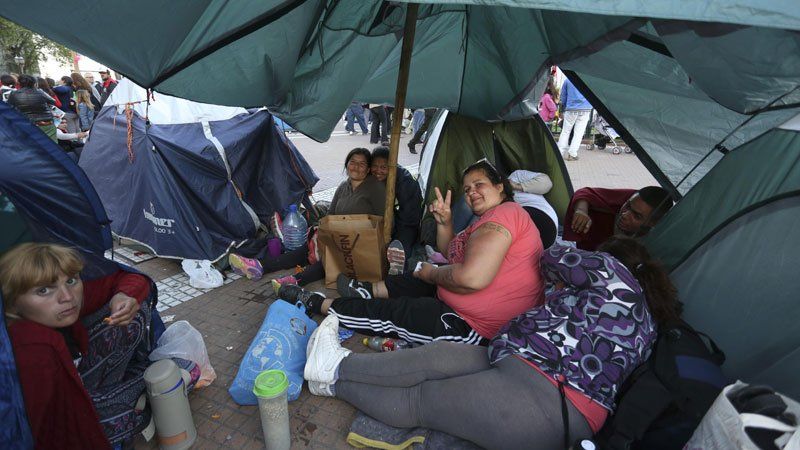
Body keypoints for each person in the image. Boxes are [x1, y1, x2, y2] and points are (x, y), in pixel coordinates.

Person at [301, 237, 681, 449]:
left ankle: (332, 377)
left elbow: (555, 255)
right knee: (439, 357)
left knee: (422, 399)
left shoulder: (610, 270)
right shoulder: (648, 321)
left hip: (546, 397)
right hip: (536, 379)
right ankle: (336, 366)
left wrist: (580, 259)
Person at [280, 159, 545, 346]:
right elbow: (452, 254)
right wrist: (444, 223)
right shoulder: (489, 219)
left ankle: (320, 304)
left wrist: (432, 273)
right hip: (466, 307)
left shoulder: (506, 215)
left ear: (500, 186)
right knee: (414, 279)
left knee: (397, 312)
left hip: (475, 328)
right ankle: (366, 290)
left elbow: (470, 278)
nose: (472, 192)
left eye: (479, 185)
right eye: (467, 189)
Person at [0, 243, 201, 449]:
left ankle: (132, 396)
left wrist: (123, 296)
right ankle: (137, 404)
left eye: (71, 280)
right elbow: (48, 431)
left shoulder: (60, 306)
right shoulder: (30, 349)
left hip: (83, 383)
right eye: (43, 290)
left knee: (137, 315)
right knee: (174, 381)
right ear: (12, 301)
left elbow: (134, 279)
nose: (67, 297)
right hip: (73, 416)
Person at [229, 148, 386, 282]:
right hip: (339, 237)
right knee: (307, 249)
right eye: (352, 162)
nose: (356, 167)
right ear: (347, 164)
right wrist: (321, 231)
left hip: (360, 243)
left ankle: (295, 281)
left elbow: (383, 222)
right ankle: (260, 266)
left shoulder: (375, 188)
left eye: (362, 164)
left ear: (368, 169)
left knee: (331, 257)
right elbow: (330, 216)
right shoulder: (343, 187)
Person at [563, 186, 673, 251]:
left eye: (636, 216)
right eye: (627, 206)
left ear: (653, 223)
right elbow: (585, 193)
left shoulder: (654, 245)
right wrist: (581, 211)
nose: (625, 214)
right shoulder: (633, 196)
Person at [369, 146, 423, 272]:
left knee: (399, 250)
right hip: (382, 221)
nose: (378, 171)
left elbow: (410, 215)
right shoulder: (371, 178)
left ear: (392, 166)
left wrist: (392, 234)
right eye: (375, 166)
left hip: (406, 223)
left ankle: (399, 274)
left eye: (383, 167)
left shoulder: (405, 180)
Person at [508, 169, 558, 248]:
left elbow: (547, 183)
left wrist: (517, 186)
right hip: (513, 231)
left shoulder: (516, 176)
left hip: (542, 216)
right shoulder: (487, 203)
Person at [7, 74, 57, 141]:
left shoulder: (13, 94)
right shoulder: (40, 92)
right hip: (46, 122)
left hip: (26, 124)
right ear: (34, 83)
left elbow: (9, 107)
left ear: (19, 83)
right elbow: (53, 101)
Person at [557, 78, 592, 161]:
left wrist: (562, 110)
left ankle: (559, 153)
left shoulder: (567, 80)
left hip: (570, 109)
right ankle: (572, 154)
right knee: (578, 133)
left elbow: (563, 96)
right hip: (586, 109)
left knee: (565, 131)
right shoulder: (588, 79)